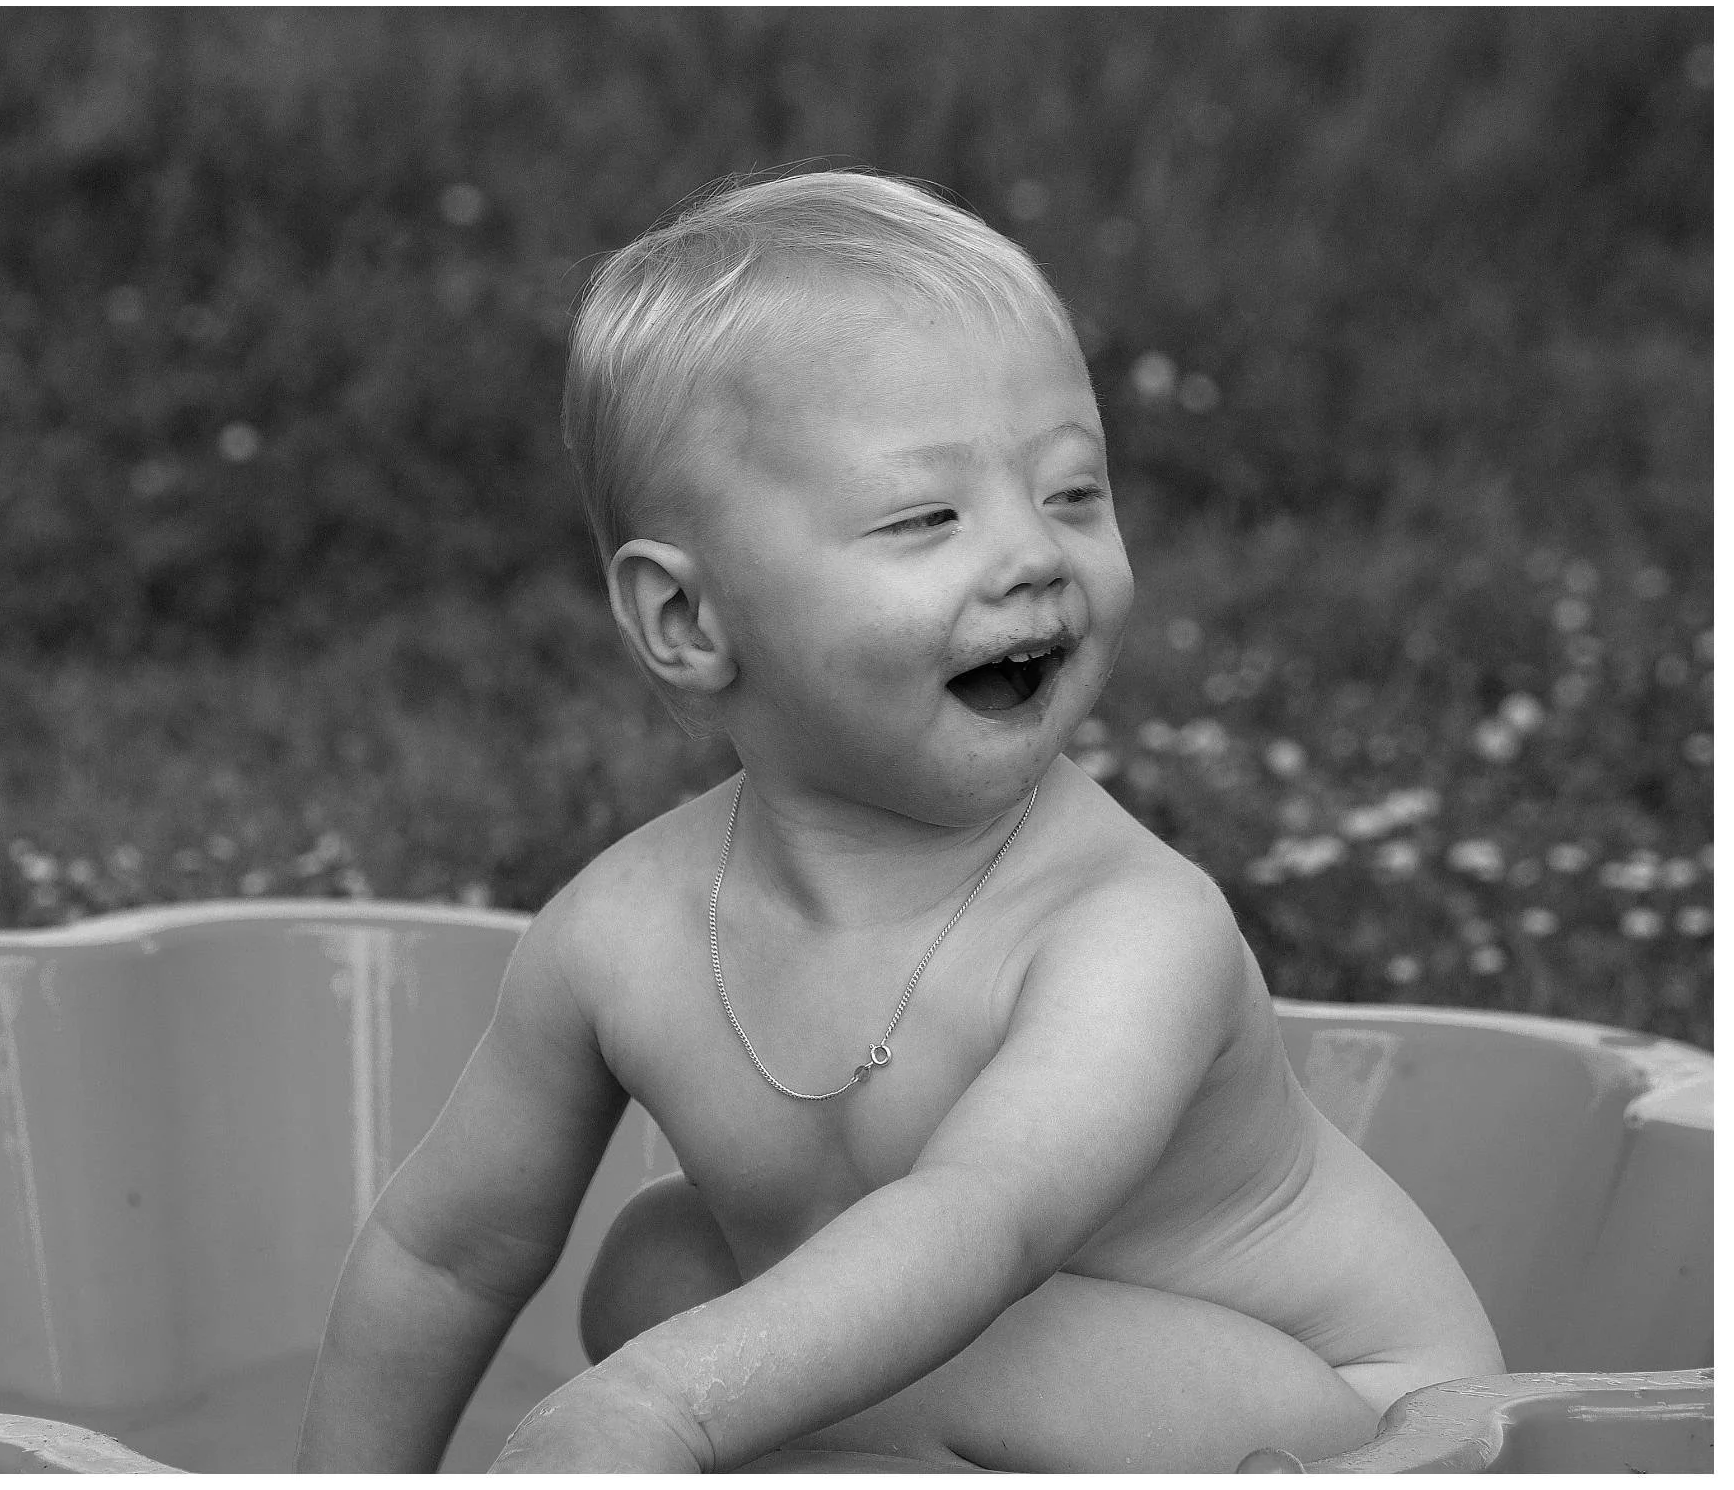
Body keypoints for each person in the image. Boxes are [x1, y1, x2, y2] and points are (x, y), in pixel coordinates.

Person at [295, 170, 1503, 1474]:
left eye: (1073, 493)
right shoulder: (620, 937)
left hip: (1361, 1428)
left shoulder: (1132, 932)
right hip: (1026, 1384)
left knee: (841, 1351)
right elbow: (444, 1248)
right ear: (690, 624)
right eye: (926, 516)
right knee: (657, 1272)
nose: (1032, 555)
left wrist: (665, 1405)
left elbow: (979, 1223)